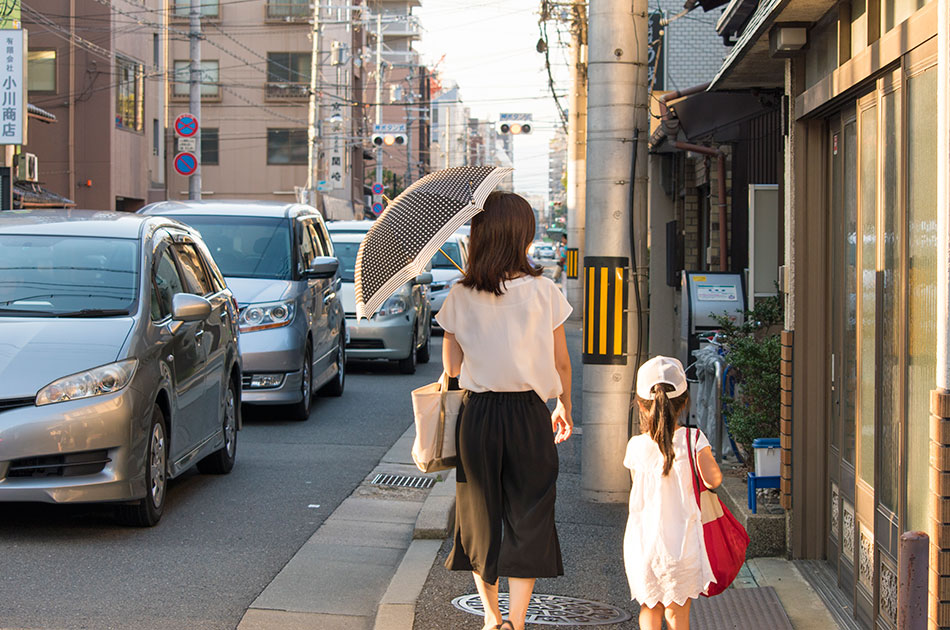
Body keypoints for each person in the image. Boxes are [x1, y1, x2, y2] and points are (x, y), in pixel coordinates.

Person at [436, 191, 574, 630]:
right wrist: (563, 406)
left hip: (478, 416)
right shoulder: (545, 291)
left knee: (480, 513)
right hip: (530, 415)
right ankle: (517, 620)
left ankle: (491, 619)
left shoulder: (460, 293)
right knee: (529, 513)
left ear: (480, 235)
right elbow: (561, 363)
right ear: (522, 236)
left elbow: (452, 368)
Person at [623, 356, 724, 630]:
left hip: (643, 545)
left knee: (649, 609)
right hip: (683, 545)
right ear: (684, 401)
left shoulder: (636, 446)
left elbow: (638, 485)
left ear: (642, 404)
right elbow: (714, 479)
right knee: (677, 615)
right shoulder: (694, 440)